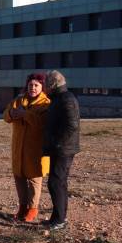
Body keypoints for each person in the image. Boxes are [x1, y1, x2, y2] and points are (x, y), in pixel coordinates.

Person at [3, 73, 50, 223]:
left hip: (36, 149)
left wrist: (25, 114)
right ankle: (22, 206)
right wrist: (11, 113)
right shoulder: (19, 100)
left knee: (35, 179)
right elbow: (5, 116)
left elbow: (42, 124)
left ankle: (33, 208)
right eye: (30, 85)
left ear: (42, 87)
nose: (33, 88)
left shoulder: (46, 103)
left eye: (36, 85)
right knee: (19, 177)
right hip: (19, 147)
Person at [42, 70, 80, 231]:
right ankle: (57, 218)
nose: (43, 86)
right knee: (57, 182)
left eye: (45, 83)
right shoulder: (59, 98)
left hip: (63, 149)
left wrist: (57, 143)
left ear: (52, 84)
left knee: (56, 183)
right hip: (59, 148)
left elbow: (72, 125)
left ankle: (60, 221)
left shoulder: (66, 99)